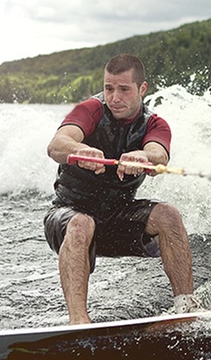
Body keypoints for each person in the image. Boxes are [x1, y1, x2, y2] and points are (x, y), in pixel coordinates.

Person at [44, 54, 200, 324]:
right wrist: (80, 150)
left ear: (142, 89)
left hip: (116, 220)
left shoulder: (155, 124)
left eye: (124, 89)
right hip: (69, 217)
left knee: (169, 215)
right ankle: (79, 321)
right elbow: (57, 145)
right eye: (109, 88)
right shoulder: (89, 110)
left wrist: (143, 156)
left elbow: (159, 155)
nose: (114, 97)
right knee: (81, 223)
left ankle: (185, 309)